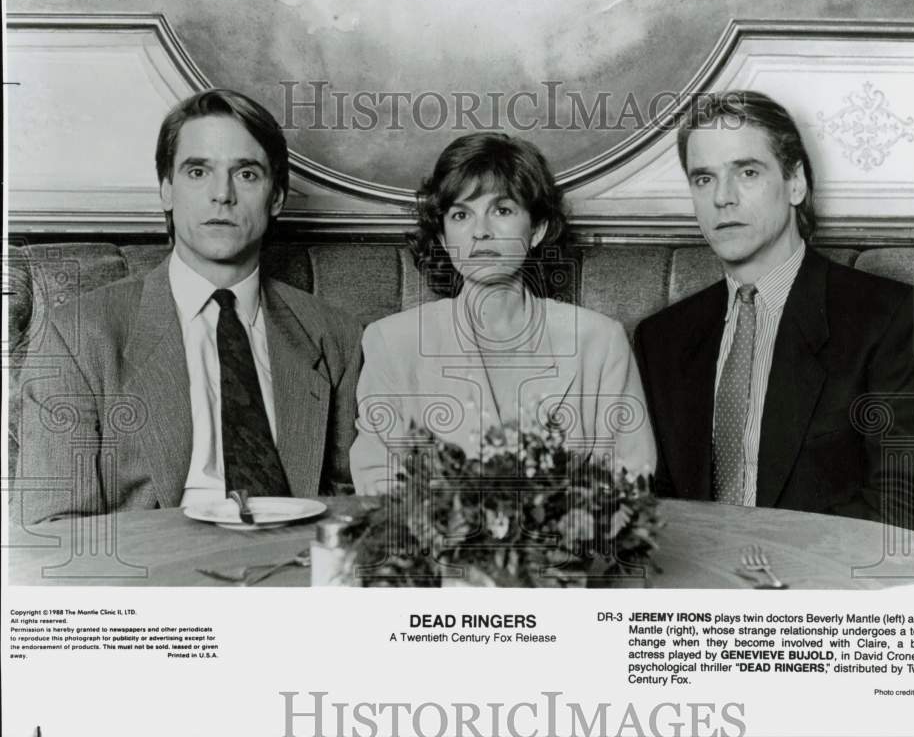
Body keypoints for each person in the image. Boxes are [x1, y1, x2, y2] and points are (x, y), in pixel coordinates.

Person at [16, 89, 362, 524]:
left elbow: (356, 505)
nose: (222, 194)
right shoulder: (81, 334)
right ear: (166, 190)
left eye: (247, 174)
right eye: (198, 171)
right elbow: (54, 529)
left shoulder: (334, 335)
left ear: (276, 197)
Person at [634, 91, 914, 535]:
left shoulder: (894, 318)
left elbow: (910, 508)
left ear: (796, 182)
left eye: (747, 172)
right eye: (703, 179)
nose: (722, 198)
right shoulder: (661, 338)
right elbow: (649, 502)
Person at [350, 132, 656, 494]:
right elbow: (378, 483)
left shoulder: (601, 341)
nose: (481, 231)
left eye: (502, 210)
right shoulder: (391, 342)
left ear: (538, 228)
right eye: (461, 214)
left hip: (570, 549)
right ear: (445, 238)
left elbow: (629, 485)